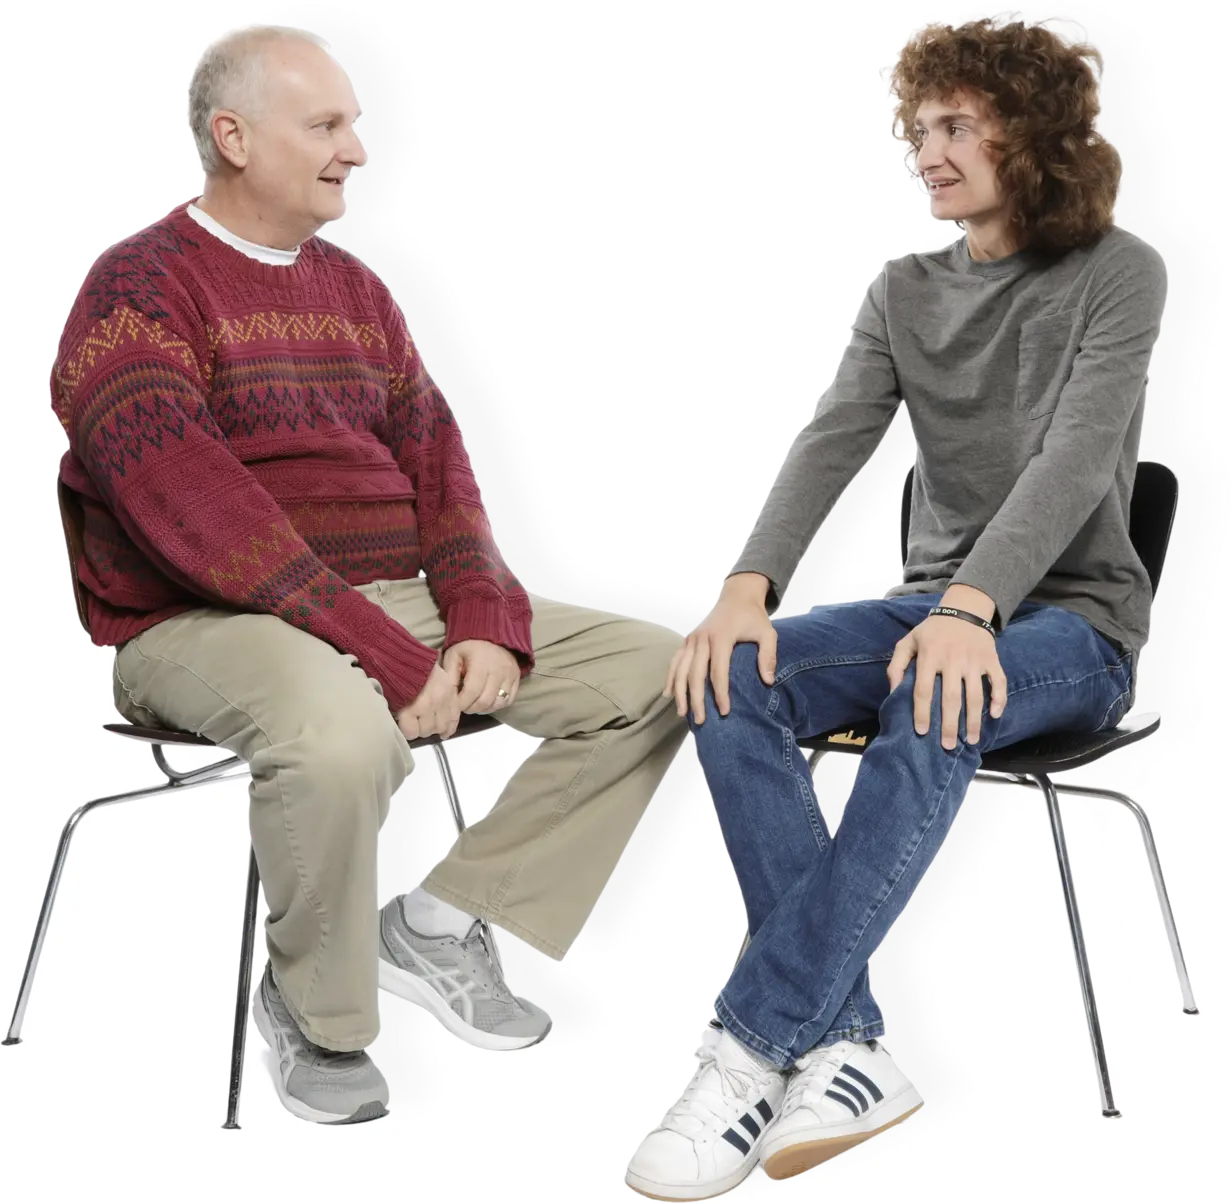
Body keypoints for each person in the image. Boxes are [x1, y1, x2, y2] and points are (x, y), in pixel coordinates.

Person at [48, 24, 688, 1126]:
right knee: (342, 733)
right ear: (233, 136)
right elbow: (190, 507)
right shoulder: (136, 292)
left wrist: (480, 614)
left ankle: (437, 925)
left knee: (674, 671)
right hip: (199, 620)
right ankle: (319, 1014)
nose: (357, 146)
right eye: (326, 124)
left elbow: (440, 464)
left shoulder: (356, 289)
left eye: (353, 121)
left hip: (385, 601)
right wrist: (384, 651)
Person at [625, 14, 1165, 1200]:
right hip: (932, 608)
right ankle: (848, 1046)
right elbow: (828, 444)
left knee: (938, 680)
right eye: (917, 129)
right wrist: (742, 595)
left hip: (1071, 629)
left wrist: (972, 608)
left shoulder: (1116, 274)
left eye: (956, 125)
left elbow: (1075, 462)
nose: (927, 150)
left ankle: (752, 1044)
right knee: (730, 676)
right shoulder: (902, 289)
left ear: (1029, 136)